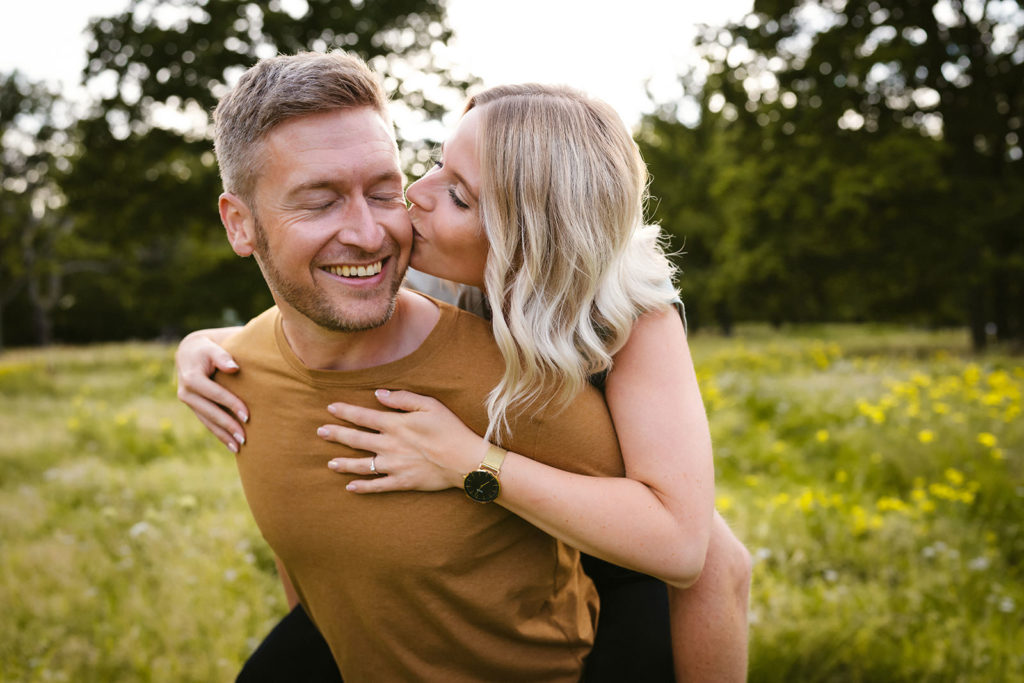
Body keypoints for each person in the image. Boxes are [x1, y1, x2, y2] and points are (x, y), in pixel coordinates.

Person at [180, 51, 751, 681]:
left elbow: (692, 551)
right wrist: (208, 343)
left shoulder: (628, 317)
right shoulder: (437, 273)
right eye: (430, 167)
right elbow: (317, 315)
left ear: (524, 239)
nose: (409, 203)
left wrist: (467, 462)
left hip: (610, 563)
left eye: (455, 193)